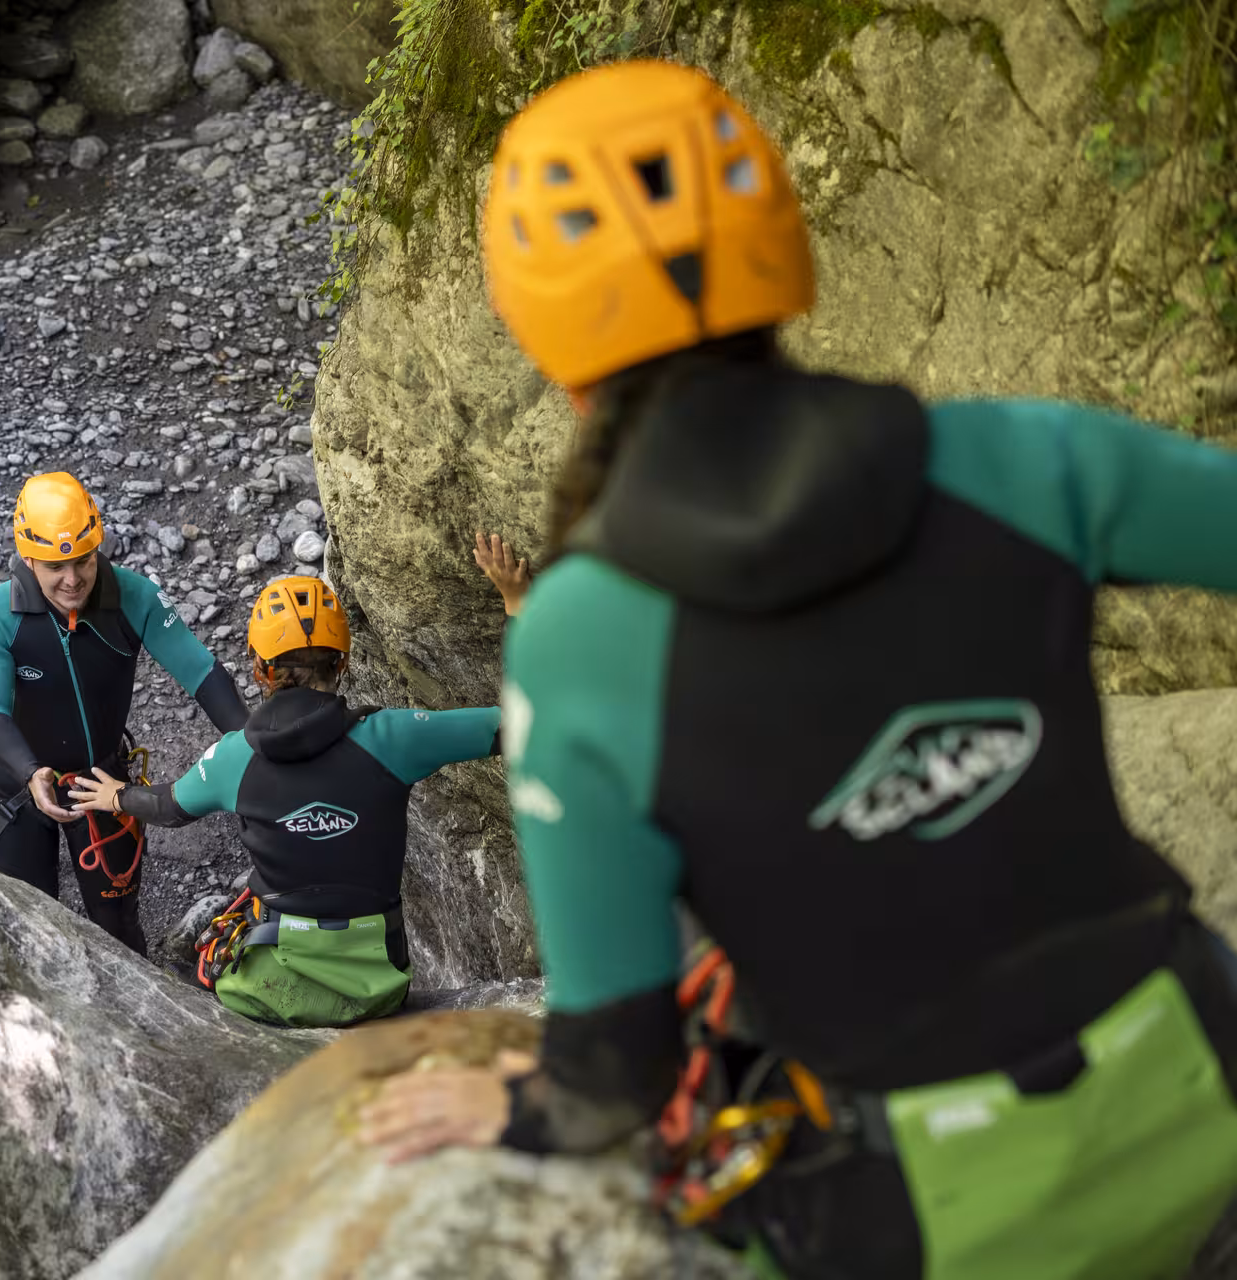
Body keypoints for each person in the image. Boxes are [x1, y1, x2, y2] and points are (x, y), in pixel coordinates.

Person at [357, 59, 1237, 1280]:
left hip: (933, 1213)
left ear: (553, 352)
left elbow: (617, 1073)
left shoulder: (576, 639)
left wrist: (511, 1106)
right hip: (1199, 1077)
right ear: (783, 251)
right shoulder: (1024, 461)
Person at [67, 573, 503, 1028]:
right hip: (382, 982)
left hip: (273, 985)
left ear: (259, 668)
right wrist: (514, 604)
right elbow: (511, 727)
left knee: (209, 955)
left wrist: (117, 796)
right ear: (343, 663)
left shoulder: (233, 757)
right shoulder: (397, 736)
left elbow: (169, 809)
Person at [0, 472, 249, 954]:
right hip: (18, 786)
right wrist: (31, 772)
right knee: (31, 920)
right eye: (55, 565)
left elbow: (202, 673)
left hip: (102, 783)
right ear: (27, 557)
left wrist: (259, 747)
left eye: (82, 560)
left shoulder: (134, 597)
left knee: (117, 927)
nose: (72, 579)